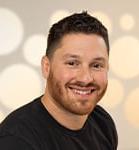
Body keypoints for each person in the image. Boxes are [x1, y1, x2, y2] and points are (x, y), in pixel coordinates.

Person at [0, 11, 118, 150]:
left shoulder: (102, 122)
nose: (85, 78)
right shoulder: (17, 141)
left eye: (96, 65)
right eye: (72, 63)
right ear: (46, 67)